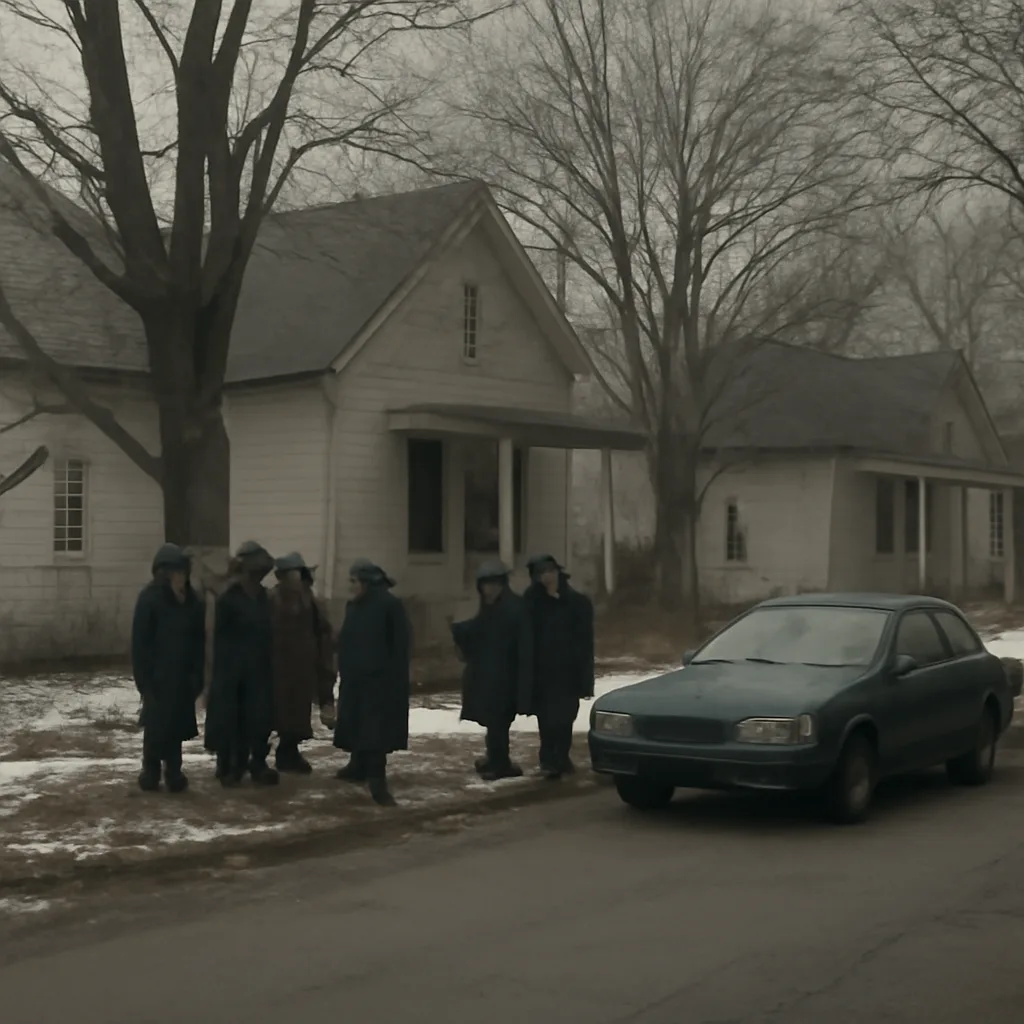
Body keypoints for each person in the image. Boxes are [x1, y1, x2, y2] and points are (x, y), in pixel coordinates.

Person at [333, 558, 411, 807]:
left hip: (379, 682)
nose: (350, 586)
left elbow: (400, 644)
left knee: (375, 733)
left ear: (367, 583)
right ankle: (357, 767)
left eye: (354, 581)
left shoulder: (389, 605)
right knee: (357, 725)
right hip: (356, 678)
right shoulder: (355, 605)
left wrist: (390, 676)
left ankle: (378, 783)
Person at [131, 543, 206, 793]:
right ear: (165, 573)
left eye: (184, 572)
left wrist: (196, 675)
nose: (181, 577)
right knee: (156, 727)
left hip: (182, 676)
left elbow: (198, 640)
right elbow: (140, 643)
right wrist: (144, 681)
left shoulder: (191, 601)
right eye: (177, 572)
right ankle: (150, 770)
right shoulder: (149, 599)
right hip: (158, 677)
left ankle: (174, 771)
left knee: (175, 728)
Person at [204, 540, 279, 787]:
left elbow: (268, 634)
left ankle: (257, 762)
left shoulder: (263, 598)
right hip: (233, 669)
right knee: (231, 718)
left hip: (259, 668)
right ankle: (229, 765)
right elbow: (219, 638)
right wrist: (222, 673)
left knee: (259, 716)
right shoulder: (229, 598)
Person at [451, 560, 532, 781]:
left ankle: (500, 763)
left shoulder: (515, 608)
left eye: (495, 584)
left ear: (503, 584)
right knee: (492, 720)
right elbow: (475, 637)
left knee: (499, 722)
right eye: (486, 585)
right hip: (485, 674)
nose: (490, 589)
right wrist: (460, 633)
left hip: (506, 675)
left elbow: (524, 646)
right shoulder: (486, 608)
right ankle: (495, 758)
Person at [524, 554, 595, 779]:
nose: (547, 576)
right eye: (542, 573)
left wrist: (585, 677)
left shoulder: (576, 602)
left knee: (566, 716)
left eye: (551, 571)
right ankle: (548, 759)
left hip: (568, 670)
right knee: (546, 718)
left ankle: (561, 757)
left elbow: (585, 642)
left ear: (558, 573)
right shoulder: (531, 602)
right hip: (542, 671)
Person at [269, 552, 337, 774]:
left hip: (302, 666)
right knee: (280, 712)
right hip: (279, 666)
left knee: (297, 713)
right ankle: (280, 753)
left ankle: (289, 751)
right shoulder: (273, 598)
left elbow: (322, 631)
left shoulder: (309, 600)